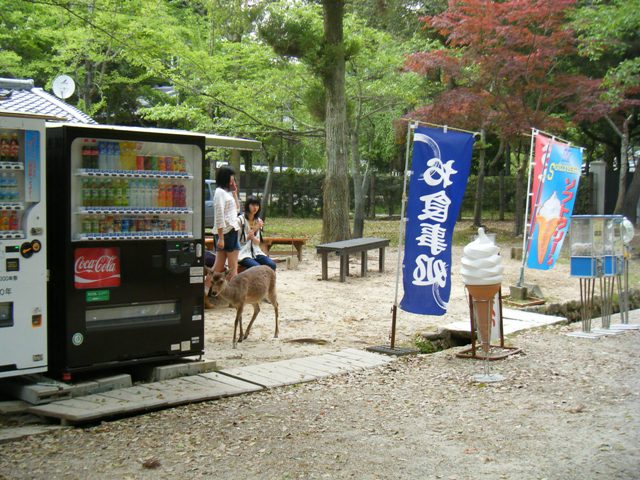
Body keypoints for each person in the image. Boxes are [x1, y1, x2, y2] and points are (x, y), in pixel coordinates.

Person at [212, 166, 241, 280]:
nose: (233, 180)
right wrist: (221, 237)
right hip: (227, 232)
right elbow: (219, 215)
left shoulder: (226, 193)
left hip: (230, 231)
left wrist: (234, 193)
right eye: (231, 178)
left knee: (218, 266)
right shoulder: (220, 192)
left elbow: (237, 210)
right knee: (233, 268)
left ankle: (206, 290)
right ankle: (234, 294)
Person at [238, 196, 277, 271]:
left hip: (256, 252)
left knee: (272, 265)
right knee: (258, 268)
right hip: (242, 253)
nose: (255, 207)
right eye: (252, 205)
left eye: (257, 205)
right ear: (247, 206)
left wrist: (253, 236)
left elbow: (257, 242)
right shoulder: (240, 220)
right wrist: (255, 228)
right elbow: (240, 241)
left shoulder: (258, 221)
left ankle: (267, 282)